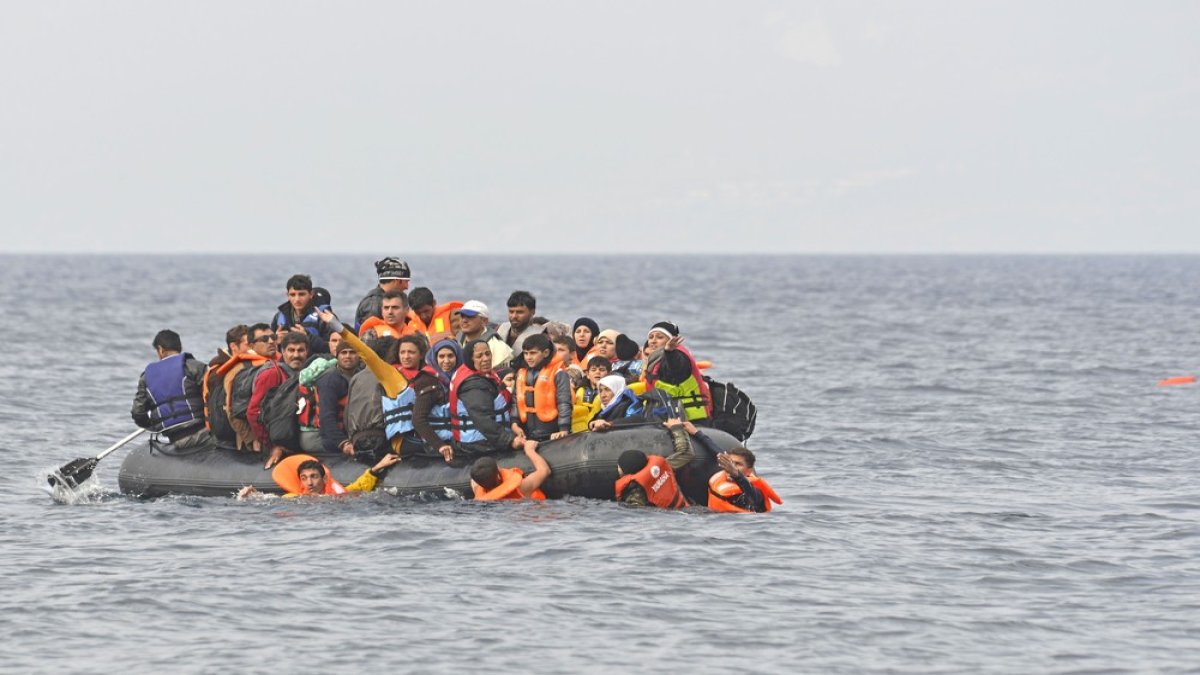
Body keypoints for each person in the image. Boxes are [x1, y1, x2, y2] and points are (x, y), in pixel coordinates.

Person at [131, 329, 211, 449]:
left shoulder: (146, 377)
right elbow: (216, 394)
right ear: (180, 347)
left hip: (175, 438)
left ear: (161, 349)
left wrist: (153, 426)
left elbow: (138, 413)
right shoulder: (193, 366)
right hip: (204, 433)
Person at [448, 339, 524, 456]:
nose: (486, 359)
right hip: (477, 442)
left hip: (483, 437)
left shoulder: (468, 370)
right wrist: (509, 440)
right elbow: (483, 419)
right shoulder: (473, 385)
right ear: (470, 358)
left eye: (487, 354)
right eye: (479, 356)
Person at [247, 332, 311, 468]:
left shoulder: (308, 375)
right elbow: (253, 412)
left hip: (297, 440)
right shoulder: (272, 374)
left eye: (300, 350)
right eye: (291, 350)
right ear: (282, 351)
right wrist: (271, 446)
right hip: (275, 442)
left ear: (307, 352)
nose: (296, 355)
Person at [212, 323, 276, 451]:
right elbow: (231, 410)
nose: (271, 341)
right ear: (252, 345)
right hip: (251, 439)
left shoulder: (278, 362)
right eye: (264, 339)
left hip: (274, 433)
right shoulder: (237, 371)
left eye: (273, 337)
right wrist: (251, 439)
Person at [237, 452, 401, 498]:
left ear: (324, 479)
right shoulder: (292, 499)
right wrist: (252, 496)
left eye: (314, 477)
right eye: (305, 478)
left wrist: (379, 466)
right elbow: (270, 500)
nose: (309, 482)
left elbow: (360, 486)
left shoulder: (337, 494)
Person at [613, 418, 695, 508]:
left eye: (619, 466)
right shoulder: (661, 467)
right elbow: (685, 452)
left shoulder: (636, 494)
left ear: (625, 471)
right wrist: (676, 428)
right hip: (686, 509)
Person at [643, 322, 712, 424]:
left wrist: (670, 353)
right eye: (651, 337)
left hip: (691, 419)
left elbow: (675, 370)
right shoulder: (655, 359)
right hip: (667, 414)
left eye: (659, 337)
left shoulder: (679, 355)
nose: (653, 341)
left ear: (671, 340)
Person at [344, 336, 397, 465]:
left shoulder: (356, 378)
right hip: (381, 436)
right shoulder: (390, 375)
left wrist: (350, 439)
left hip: (357, 439)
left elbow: (347, 412)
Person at [514, 334, 572, 442]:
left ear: (546, 353)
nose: (528, 357)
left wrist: (564, 428)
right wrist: (514, 423)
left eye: (533, 353)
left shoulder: (558, 373)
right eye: (526, 353)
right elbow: (515, 400)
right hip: (527, 431)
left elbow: (564, 401)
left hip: (551, 431)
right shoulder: (521, 373)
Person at [315, 339, 363, 457]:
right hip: (332, 439)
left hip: (353, 432)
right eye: (344, 352)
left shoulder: (361, 375)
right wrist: (343, 443)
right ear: (337, 356)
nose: (348, 356)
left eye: (352, 352)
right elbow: (326, 417)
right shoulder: (329, 380)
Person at [705, 446, 783, 513]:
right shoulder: (720, 480)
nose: (732, 466)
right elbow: (716, 451)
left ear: (749, 471)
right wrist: (696, 433)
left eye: (738, 464)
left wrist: (736, 474)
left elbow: (751, 493)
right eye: (730, 462)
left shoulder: (757, 493)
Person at [270, 274, 332, 355]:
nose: (297, 299)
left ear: (311, 294)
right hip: (287, 364)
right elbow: (272, 351)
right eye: (292, 295)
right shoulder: (278, 317)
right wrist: (276, 341)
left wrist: (308, 337)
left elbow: (333, 349)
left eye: (301, 294)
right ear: (287, 295)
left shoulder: (325, 316)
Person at [469, 439, 550, 501]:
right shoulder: (522, 487)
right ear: (498, 476)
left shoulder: (477, 491)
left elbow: (474, 481)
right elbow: (545, 470)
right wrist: (530, 451)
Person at [354, 256, 411, 330]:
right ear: (396, 281)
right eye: (406, 281)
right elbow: (369, 337)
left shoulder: (383, 300)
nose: (407, 287)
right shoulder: (373, 304)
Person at [455, 300, 514, 369]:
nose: (464, 320)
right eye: (462, 316)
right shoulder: (457, 342)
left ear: (484, 321)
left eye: (469, 317)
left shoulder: (499, 348)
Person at [496, 290, 548, 357]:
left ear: (532, 312)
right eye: (511, 312)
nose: (514, 316)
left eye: (520, 312)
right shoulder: (500, 329)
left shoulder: (542, 336)